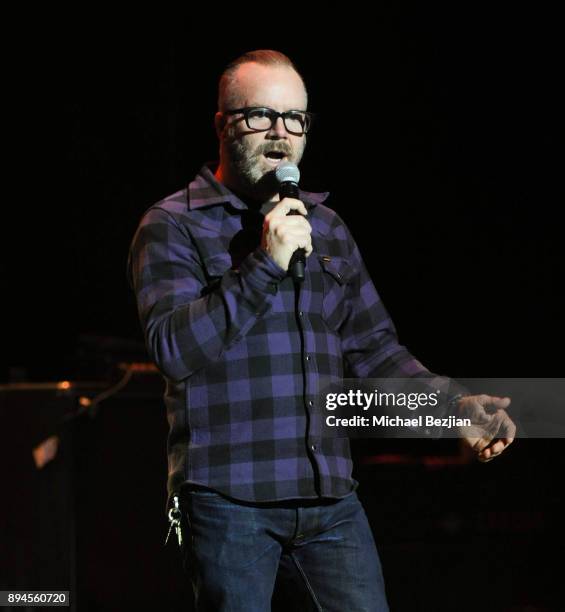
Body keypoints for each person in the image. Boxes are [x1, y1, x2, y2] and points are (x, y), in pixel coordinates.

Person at [128, 50, 515, 612]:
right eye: (260, 115)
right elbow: (174, 349)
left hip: (330, 500)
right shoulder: (172, 225)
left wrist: (452, 408)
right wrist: (263, 264)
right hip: (230, 501)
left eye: (296, 119)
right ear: (221, 124)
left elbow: (375, 350)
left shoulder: (326, 227)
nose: (281, 134)